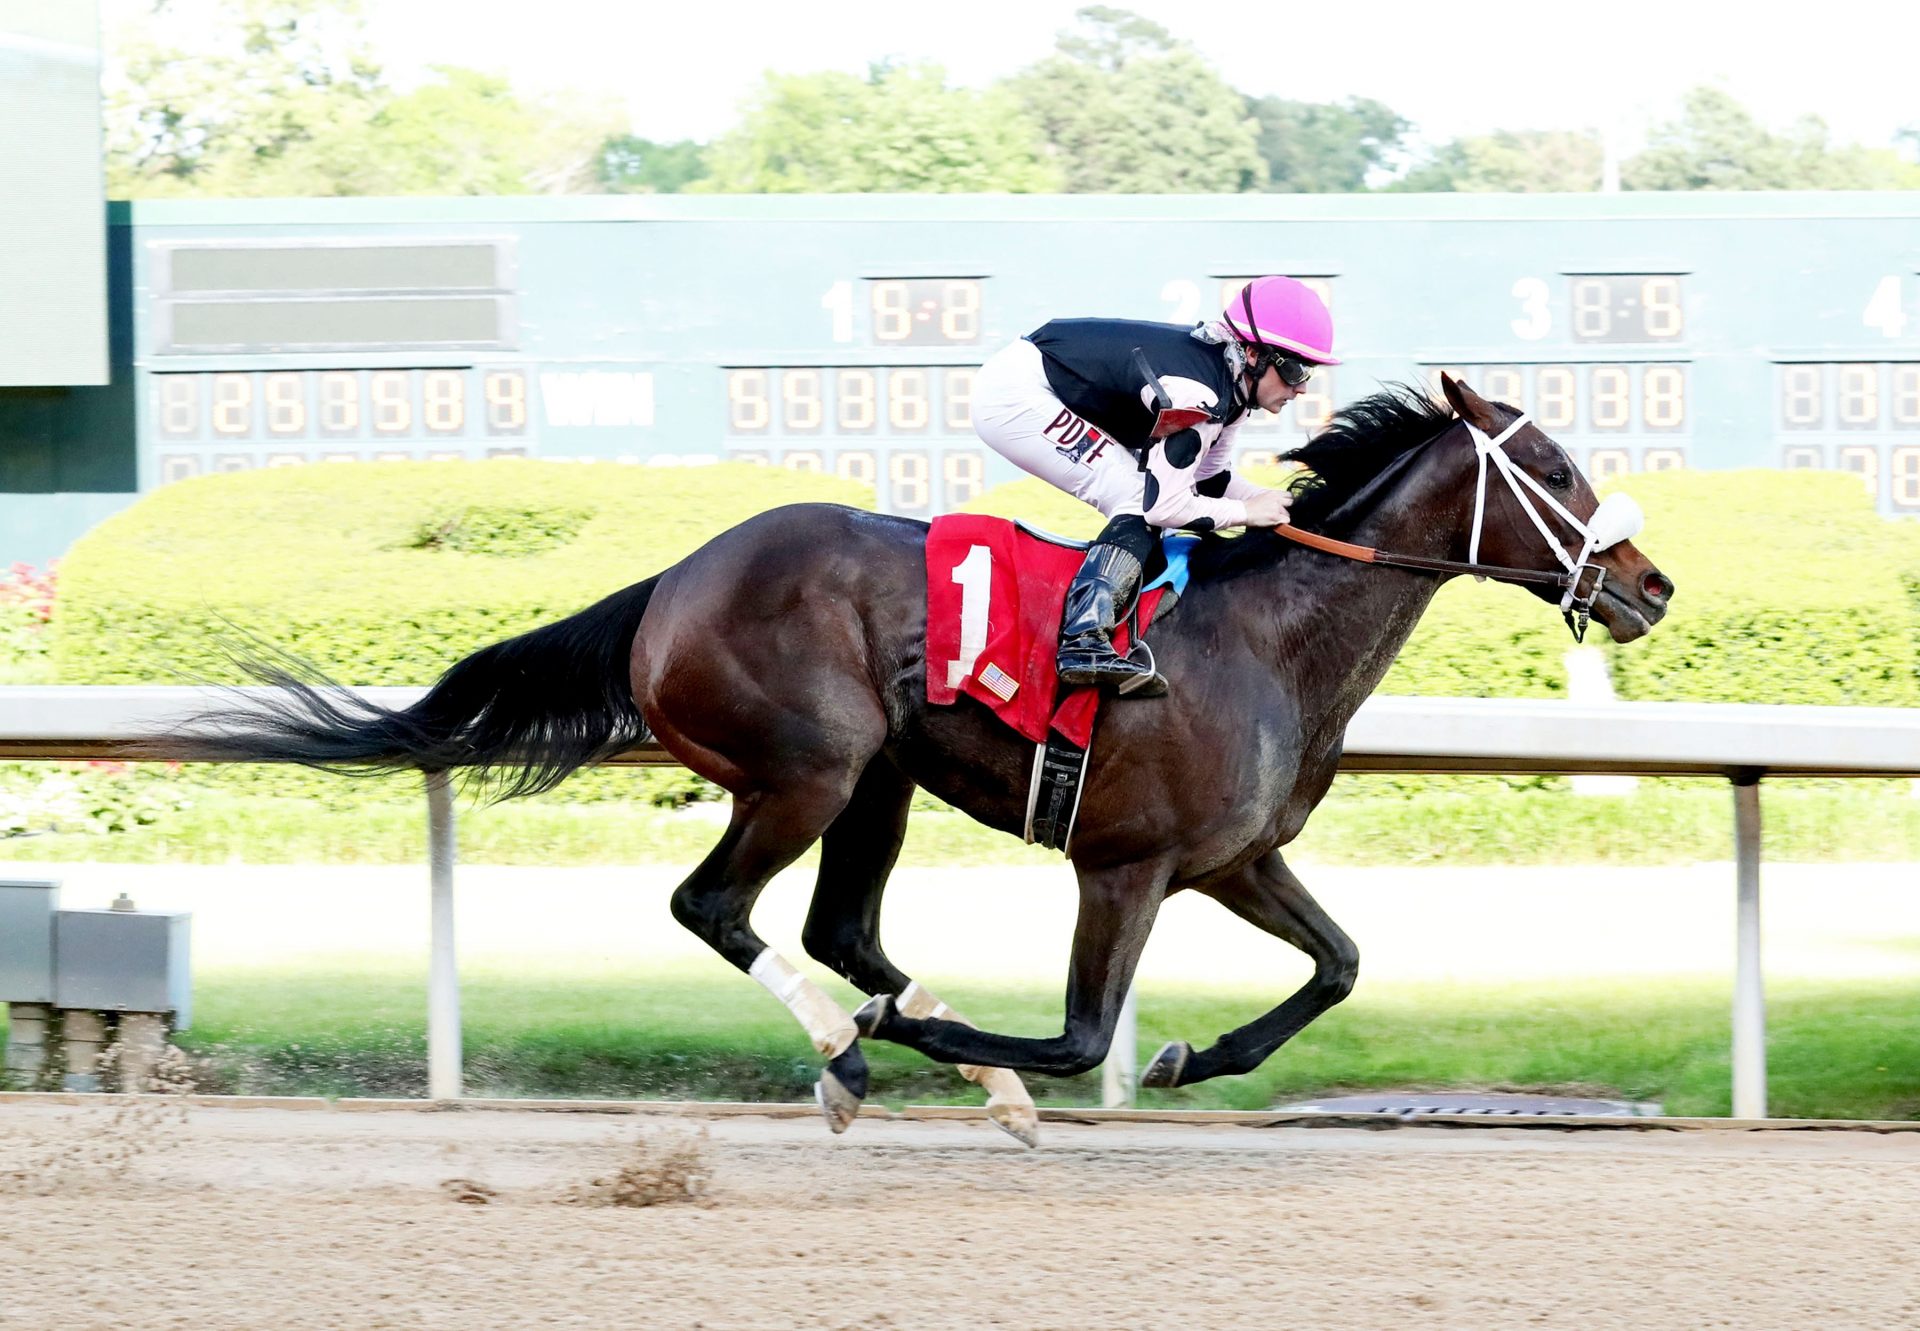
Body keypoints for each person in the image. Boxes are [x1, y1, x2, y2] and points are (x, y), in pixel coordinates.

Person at [968, 276, 1338, 697]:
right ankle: (1082, 638)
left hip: (1041, 378)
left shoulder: (1232, 389)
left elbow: (1208, 479)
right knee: (1134, 497)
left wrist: (1269, 500)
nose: (1303, 386)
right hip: (1016, 395)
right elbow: (1163, 507)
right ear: (1253, 354)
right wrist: (1247, 513)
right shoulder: (1198, 392)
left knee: (1139, 492)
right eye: (1295, 369)